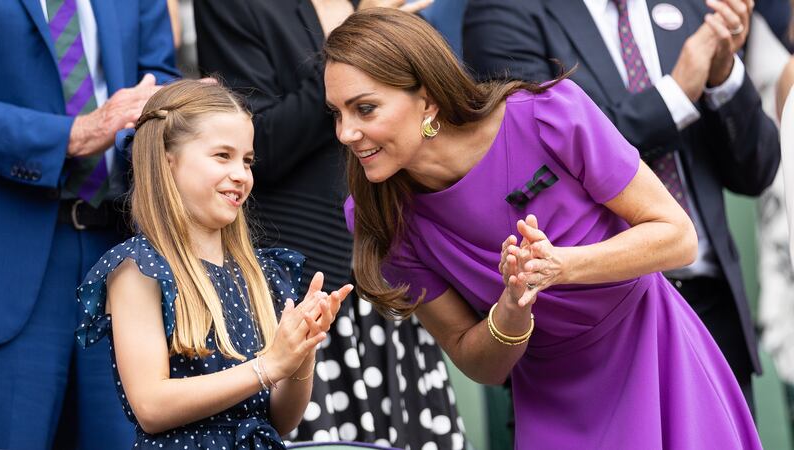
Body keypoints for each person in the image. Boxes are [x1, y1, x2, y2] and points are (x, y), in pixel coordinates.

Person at [325, 8, 762, 449]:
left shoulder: (548, 115)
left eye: (364, 109)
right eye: (336, 114)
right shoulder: (377, 214)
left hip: (654, 352)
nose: (345, 132)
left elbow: (677, 236)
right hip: (551, 397)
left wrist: (560, 266)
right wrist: (510, 311)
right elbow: (480, 364)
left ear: (428, 98)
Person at [463, 0, 781, 408]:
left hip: (710, 312)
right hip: (596, 325)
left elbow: (756, 171)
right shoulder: (503, 11)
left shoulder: (690, 5)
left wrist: (722, 76)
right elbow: (539, 151)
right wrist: (674, 95)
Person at [194, 1, 465, 447]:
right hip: (303, 289)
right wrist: (361, 30)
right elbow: (259, 147)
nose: (347, 131)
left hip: (390, 267)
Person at [74, 80, 353, 449]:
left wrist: (300, 353)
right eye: (223, 156)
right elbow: (151, 406)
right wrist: (267, 367)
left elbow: (281, 420)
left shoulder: (262, 274)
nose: (241, 173)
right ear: (167, 161)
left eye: (248, 160)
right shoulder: (140, 268)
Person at [0, 1, 177, 448]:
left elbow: (158, 80)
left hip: (123, 253)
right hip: (13, 256)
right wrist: (73, 134)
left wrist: (180, 107)